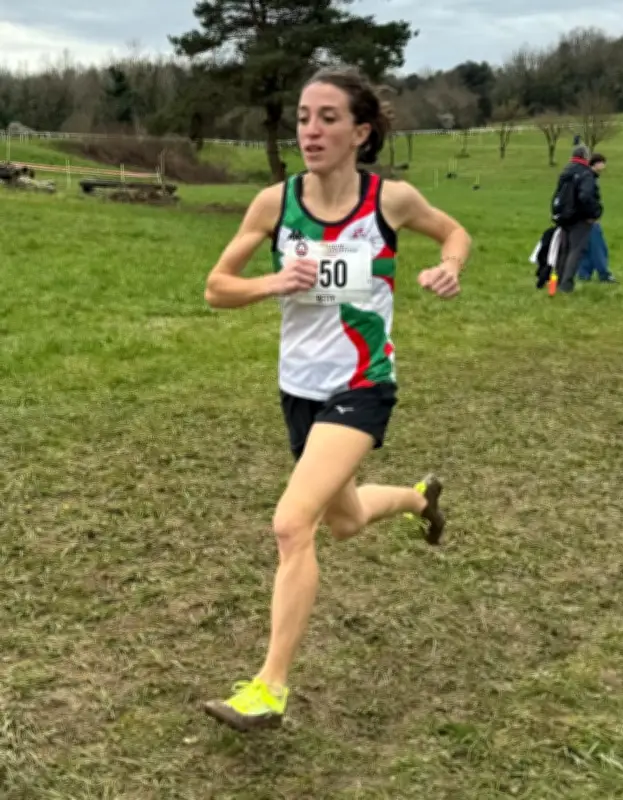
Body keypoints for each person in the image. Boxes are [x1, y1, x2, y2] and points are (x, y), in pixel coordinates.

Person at [200, 66, 472, 732]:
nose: (310, 130)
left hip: (363, 383)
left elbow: (454, 233)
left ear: (361, 130)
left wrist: (449, 267)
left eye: (326, 117)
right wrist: (274, 282)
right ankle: (416, 500)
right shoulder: (274, 204)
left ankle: (268, 689)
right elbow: (215, 287)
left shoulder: (391, 200)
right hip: (299, 389)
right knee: (344, 521)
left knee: (292, 525)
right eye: (302, 117)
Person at [550, 143, 602, 293]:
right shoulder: (586, 174)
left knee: (564, 250)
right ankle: (566, 285)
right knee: (576, 250)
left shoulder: (565, 171)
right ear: (586, 156)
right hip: (579, 218)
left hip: (563, 216)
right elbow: (585, 196)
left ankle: (557, 281)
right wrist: (594, 213)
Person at [576, 154, 618, 283]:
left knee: (586, 248)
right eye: (602, 163)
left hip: (581, 220)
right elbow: (585, 197)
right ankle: (604, 274)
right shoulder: (589, 178)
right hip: (589, 220)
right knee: (599, 248)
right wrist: (593, 213)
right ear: (596, 164)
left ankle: (584, 274)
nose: (604, 166)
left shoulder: (586, 176)